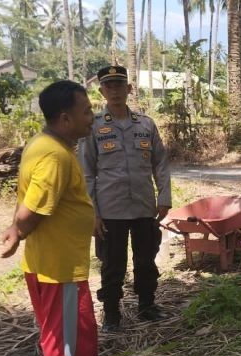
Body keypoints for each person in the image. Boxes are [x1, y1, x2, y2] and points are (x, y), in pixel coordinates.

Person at [0, 80, 98, 356]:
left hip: (61, 261)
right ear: (65, 118)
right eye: (86, 111)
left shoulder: (43, 144)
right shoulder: (54, 156)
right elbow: (31, 210)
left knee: (77, 325)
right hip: (57, 266)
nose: (92, 116)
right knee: (62, 334)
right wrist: (18, 231)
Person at [79, 65, 172, 333]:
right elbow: (86, 172)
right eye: (109, 86)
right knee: (112, 264)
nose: (115, 90)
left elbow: (160, 164)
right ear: (102, 91)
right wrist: (93, 213)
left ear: (129, 89)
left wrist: (164, 196)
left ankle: (147, 305)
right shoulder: (93, 127)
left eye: (120, 84)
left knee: (146, 259)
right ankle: (111, 314)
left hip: (144, 206)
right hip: (110, 209)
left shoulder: (145, 124)